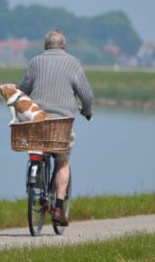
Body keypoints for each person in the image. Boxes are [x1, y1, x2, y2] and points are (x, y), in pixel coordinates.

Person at [19, 29, 94, 226]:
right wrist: (87, 111)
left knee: (38, 149)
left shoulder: (35, 62)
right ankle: (59, 208)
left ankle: (36, 185)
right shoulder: (73, 63)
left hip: (36, 124)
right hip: (61, 126)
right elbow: (86, 96)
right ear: (64, 46)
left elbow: (21, 91)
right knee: (63, 162)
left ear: (45, 46)